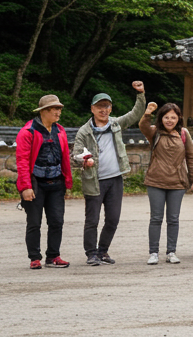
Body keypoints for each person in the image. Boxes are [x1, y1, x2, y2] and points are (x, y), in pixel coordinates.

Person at [73, 79, 146, 265]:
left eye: (107, 106)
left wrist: (140, 94)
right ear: (92, 109)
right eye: (100, 106)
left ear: (111, 109)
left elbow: (135, 114)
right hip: (94, 180)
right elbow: (75, 156)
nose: (103, 110)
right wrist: (84, 161)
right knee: (92, 220)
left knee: (113, 219)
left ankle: (103, 251)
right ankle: (91, 253)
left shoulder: (116, 124)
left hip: (115, 179)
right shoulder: (84, 131)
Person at [140, 102, 193, 265]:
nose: (169, 120)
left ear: (178, 118)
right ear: (161, 118)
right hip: (156, 180)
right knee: (156, 218)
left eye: (173, 117)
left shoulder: (183, 133)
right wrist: (147, 113)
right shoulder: (154, 132)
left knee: (173, 218)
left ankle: (171, 252)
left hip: (177, 182)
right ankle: (153, 252)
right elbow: (143, 126)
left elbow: (191, 156)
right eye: (166, 117)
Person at [17, 94, 73, 269]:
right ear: (44, 111)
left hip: (56, 182)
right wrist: (25, 187)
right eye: (55, 109)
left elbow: (64, 157)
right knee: (34, 222)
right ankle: (34, 257)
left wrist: (67, 180)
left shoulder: (60, 131)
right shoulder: (28, 132)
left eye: (59, 109)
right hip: (35, 183)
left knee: (57, 221)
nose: (58, 112)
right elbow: (22, 161)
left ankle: (53, 256)